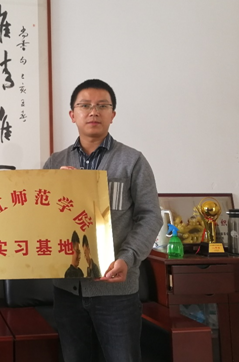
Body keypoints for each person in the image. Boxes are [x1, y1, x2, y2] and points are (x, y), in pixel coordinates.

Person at [43, 79, 162, 362]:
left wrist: (128, 258)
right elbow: (43, 219)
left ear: (113, 114)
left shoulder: (132, 161)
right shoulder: (55, 163)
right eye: (85, 105)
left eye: (102, 106)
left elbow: (150, 216)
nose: (93, 112)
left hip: (116, 290)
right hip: (67, 291)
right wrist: (56, 187)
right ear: (72, 114)